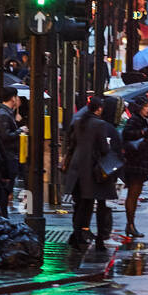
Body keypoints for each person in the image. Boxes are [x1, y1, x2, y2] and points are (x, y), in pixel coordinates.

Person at [62, 96, 120, 250]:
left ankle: (76, 235)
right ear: (99, 109)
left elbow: (71, 142)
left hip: (76, 167)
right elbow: (103, 148)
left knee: (80, 204)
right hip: (92, 169)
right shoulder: (99, 124)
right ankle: (99, 239)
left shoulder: (78, 121)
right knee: (98, 203)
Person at [120, 98, 148, 238]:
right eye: (146, 106)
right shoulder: (135, 120)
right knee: (133, 194)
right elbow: (127, 134)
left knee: (136, 193)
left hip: (140, 161)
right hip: (135, 162)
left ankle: (131, 224)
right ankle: (130, 224)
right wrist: (142, 133)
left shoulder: (143, 120)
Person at [0, 87, 24, 207]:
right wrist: (19, 130)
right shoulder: (3, 114)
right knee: (8, 183)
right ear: (13, 98)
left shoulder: (7, 113)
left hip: (10, 153)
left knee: (11, 181)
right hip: (8, 154)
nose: (18, 100)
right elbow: (5, 135)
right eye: (17, 97)